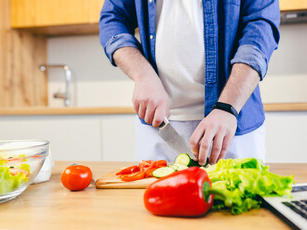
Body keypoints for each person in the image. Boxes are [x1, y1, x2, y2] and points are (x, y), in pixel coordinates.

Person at [99, 0, 280, 165]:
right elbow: (113, 17)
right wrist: (143, 75)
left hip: (231, 125)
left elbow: (262, 26)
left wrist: (228, 106)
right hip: (159, 127)